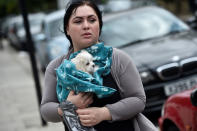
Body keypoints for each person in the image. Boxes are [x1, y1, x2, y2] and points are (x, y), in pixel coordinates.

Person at [40, 0, 157, 131]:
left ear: (99, 26)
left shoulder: (118, 58)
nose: (86, 26)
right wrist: (67, 106)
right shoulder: (57, 67)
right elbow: (45, 110)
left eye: (92, 20)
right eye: (78, 21)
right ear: (67, 29)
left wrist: (104, 113)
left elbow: (138, 100)